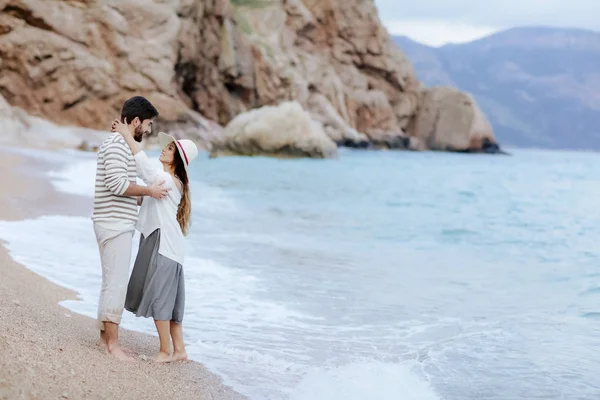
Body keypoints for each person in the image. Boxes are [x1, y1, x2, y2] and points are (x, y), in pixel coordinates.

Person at [111, 118, 198, 363]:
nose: (164, 149)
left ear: (177, 160)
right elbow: (147, 193)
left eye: (170, 149)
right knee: (169, 301)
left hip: (165, 244)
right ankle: (179, 351)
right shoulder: (168, 181)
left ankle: (164, 351)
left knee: (162, 300)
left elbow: (144, 167)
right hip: (165, 243)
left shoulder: (168, 180)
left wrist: (125, 134)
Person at [92, 96, 167, 362]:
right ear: (135, 121)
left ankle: (105, 341)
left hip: (115, 221)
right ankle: (113, 346)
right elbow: (116, 184)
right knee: (116, 284)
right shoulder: (116, 145)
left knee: (110, 281)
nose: (148, 130)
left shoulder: (123, 145)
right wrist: (149, 190)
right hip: (112, 223)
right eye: (147, 124)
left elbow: (124, 187)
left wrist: (143, 195)